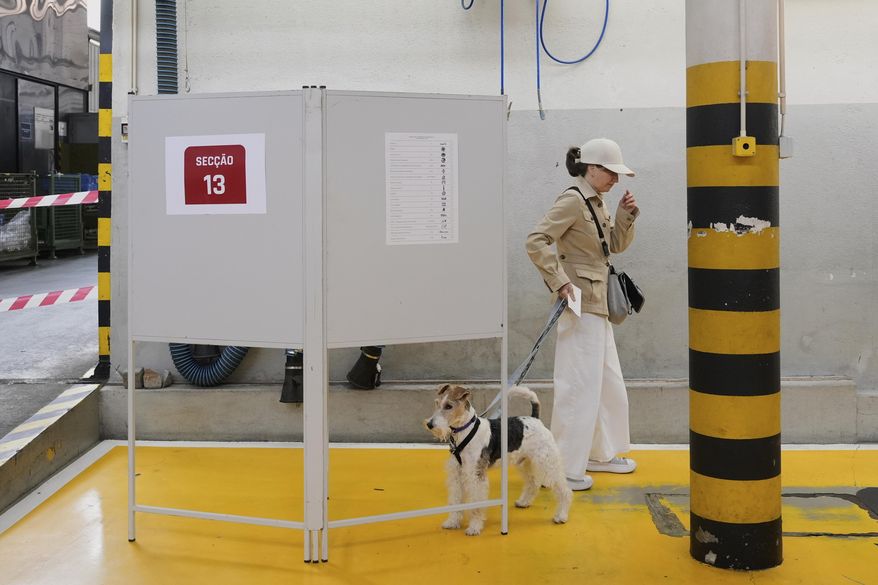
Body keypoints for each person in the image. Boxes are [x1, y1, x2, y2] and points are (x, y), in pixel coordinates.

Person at [525, 138, 640, 491]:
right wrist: (560, 283)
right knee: (578, 385)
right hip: (578, 304)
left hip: (596, 303)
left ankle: (598, 454)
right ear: (592, 168)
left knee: (606, 383)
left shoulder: (597, 201)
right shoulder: (573, 200)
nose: (616, 180)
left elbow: (614, 247)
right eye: (611, 172)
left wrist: (625, 216)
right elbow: (536, 240)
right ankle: (559, 467)